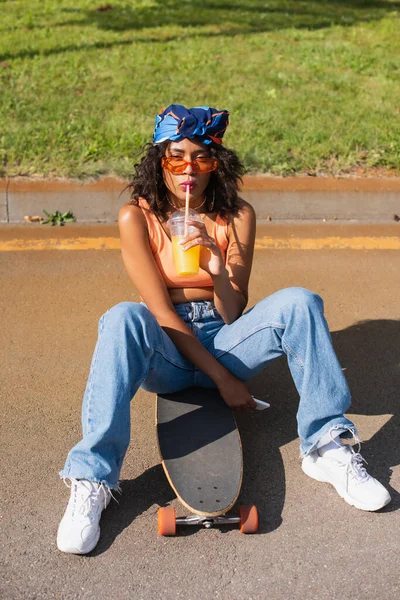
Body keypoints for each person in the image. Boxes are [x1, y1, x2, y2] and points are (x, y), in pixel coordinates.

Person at [57, 104, 391, 554]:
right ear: (160, 161)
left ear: (218, 163)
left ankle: (326, 446)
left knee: (301, 302)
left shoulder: (237, 215)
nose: (188, 170)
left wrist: (217, 268)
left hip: (226, 338)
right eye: (176, 157)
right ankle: (92, 478)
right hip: (169, 348)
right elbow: (160, 312)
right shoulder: (135, 217)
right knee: (121, 317)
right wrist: (223, 381)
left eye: (202, 158)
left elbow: (234, 314)